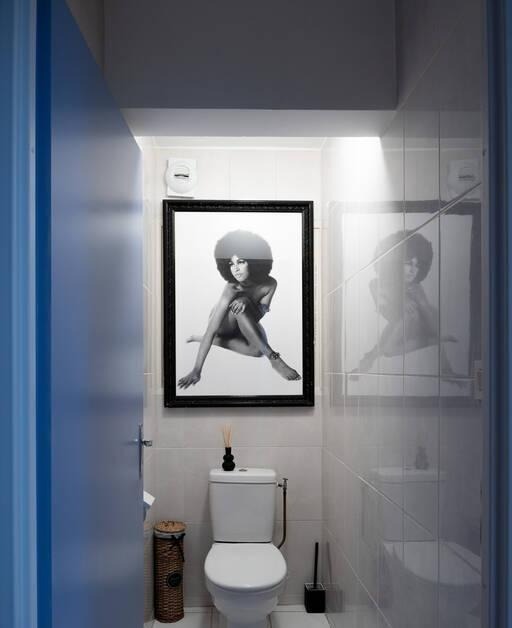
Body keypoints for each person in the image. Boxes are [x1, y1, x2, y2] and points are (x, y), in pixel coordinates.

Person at [178, 230, 301, 389]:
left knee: (257, 351)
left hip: (245, 321)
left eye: (241, 262)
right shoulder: (232, 287)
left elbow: (258, 316)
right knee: (240, 310)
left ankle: (205, 339)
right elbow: (211, 330)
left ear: (254, 262)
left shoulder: (270, 284)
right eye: (231, 264)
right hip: (223, 324)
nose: (235, 269)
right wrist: (196, 370)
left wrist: (246, 301)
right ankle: (275, 360)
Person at [355, 230, 458, 375]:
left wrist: (443, 358)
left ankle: (438, 350)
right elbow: (385, 302)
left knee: (389, 349)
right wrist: (400, 299)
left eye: (417, 265)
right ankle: (368, 359)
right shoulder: (377, 284)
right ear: (396, 263)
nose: (413, 270)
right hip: (403, 325)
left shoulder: (415, 289)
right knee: (389, 341)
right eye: (409, 263)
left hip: (420, 325)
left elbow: (427, 318)